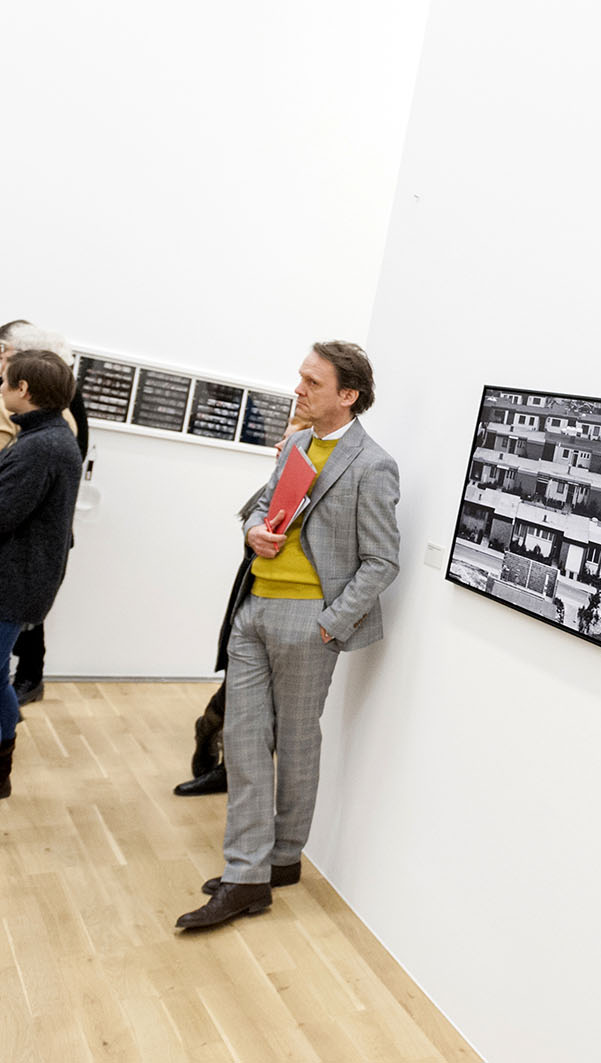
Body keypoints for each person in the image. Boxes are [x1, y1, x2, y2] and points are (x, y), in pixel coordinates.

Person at [176, 341, 399, 929]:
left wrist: (330, 624)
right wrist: (254, 532)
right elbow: (258, 510)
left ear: (347, 395)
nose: (298, 389)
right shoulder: (296, 445)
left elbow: (382, 561)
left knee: (296, 744)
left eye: (312, 382)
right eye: (301, 377)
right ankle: (247, 872)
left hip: (308, 621)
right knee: (244, 743)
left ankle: (282, 858)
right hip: (254, 608)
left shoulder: (372, 464)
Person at [174, 413, 312, 798]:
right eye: (282, 438)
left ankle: (222, 760)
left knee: (252, 704)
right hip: (251, 602)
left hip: (282, 610)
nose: (280, 446)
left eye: (290, 440)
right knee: (234, 690)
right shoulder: (273, 489)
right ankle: (209, 732)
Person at [0, 349, 83, 798]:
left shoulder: (42, 446)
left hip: (11, 584)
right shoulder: (45, 437)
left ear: (24, 389)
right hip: (18, 580)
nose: (1, 388)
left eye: (5, 381)